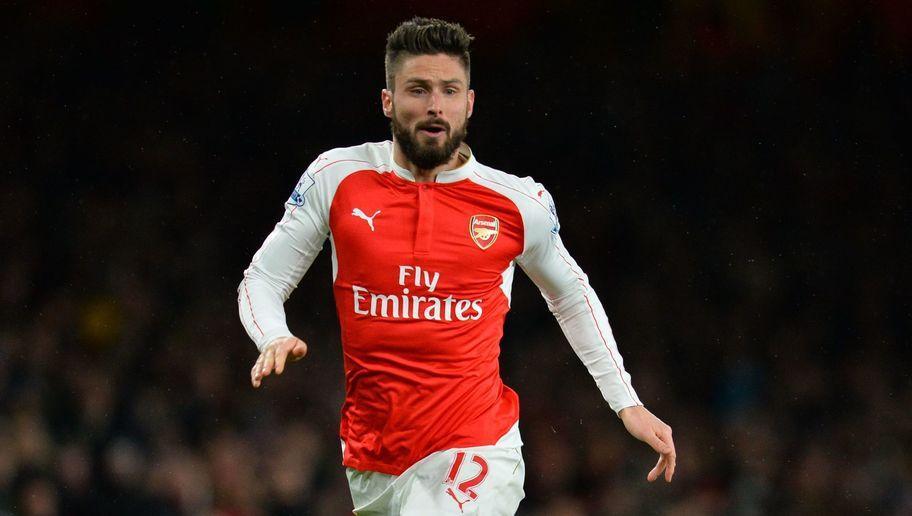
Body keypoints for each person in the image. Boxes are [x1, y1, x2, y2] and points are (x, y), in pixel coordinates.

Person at [238, 17, 675, 515]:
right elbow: (263, 278)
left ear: (469, 104)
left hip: (477, 445)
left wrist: (627, 402)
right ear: (387, 101)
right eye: (418, 90)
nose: (434, 106)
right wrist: (272, 333)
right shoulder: (339, 178)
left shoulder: (515, 202)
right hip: (372, 457)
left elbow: (571, 295)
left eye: (449, 91)